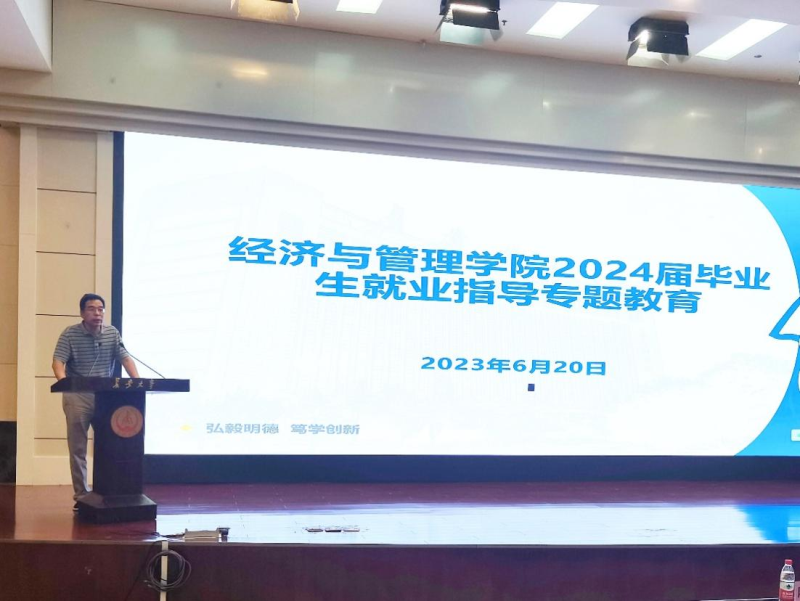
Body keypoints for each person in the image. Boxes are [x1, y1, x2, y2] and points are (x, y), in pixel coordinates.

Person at [52, 293, 139, 509]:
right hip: (78, 396)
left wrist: (138, 382)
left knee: (109, 445)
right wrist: (64, 383)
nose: (97, 313)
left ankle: (107, 490)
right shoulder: (70, 334)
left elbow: (125, 358)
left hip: (106, 398)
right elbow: (58, 362)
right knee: (78, 448)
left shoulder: (112, 333)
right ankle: (81, 495)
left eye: (101, 309)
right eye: (91, 309)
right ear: (82, 313)